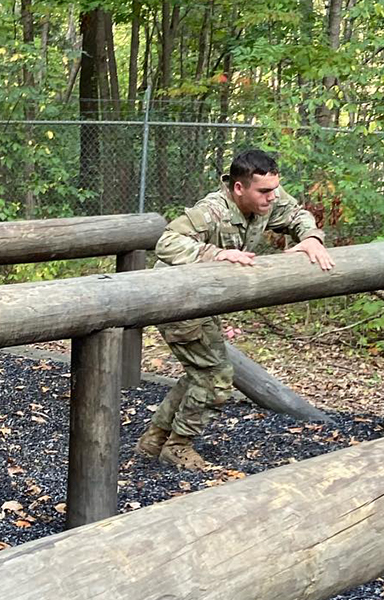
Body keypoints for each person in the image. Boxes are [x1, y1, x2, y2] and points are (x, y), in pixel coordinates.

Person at [136, 149, 335, 469]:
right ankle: (179, 445)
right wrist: (213, 254)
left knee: (202, 370)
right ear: (239, 188)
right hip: (178, 298)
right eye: (264, 191)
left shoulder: (271, 196)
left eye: (274, 189)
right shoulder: (212, 210)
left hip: (206, 298)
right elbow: (167, 242)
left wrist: (311, 237)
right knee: (216, 375)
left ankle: (156, 438)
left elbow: (297, 214)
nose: (272, 197)